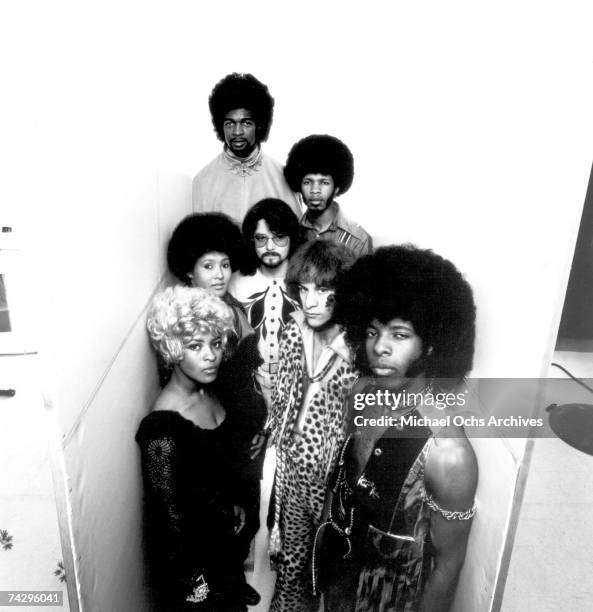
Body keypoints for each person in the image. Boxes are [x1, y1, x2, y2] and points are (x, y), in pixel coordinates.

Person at [317, 245, 478, 612]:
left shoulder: (448, 454)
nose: (380, 348)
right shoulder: (360, 393)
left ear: (433, 344)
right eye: (372, 332)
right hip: (339, 580)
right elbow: (345, 480)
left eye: (399, 335)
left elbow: (447, 567)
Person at [136, 286, 260, 610]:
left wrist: (234, 503)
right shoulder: (162, 427)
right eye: (195, 346)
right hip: (197, 570)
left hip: (223, 547)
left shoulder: (208, 389)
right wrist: (197, 588)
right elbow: (168, 524)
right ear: (173, 349)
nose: (211, 355)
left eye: (216, 344)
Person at [265, 240, 358, 612]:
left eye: (323, 291)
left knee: (333, 574)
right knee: (291, 566)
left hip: (333, 481)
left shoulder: (358, 350)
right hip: (292, 469)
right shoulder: (292, 331)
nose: (310, 301)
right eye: (304, 289)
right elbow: (283, 395)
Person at [192, 73, 300, 222]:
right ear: (220, 126)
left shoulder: (285, 179)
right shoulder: (202, 181)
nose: (237, 132)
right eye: (230, 123)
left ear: (259, 125)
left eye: (246, 123)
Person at [228, 198, 303, 407]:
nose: (269, 246)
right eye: (261, 239)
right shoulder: (235, 282)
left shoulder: (307, 283)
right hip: (249, 392)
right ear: (251, 240)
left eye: (279, 238)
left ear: (292, 238)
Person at [167, 212, 252, 340]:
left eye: (225, 265)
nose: (220, 275)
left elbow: (251, 356)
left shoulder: (235, 307)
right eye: (208, 266)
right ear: (189, 271)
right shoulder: (177, 313)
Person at [283, 134, 372, 257]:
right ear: (299, 185)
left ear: (336, 188)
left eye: (324, 183)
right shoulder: (289, 236)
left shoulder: (358, 240)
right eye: (308, 182)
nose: (315, 190)